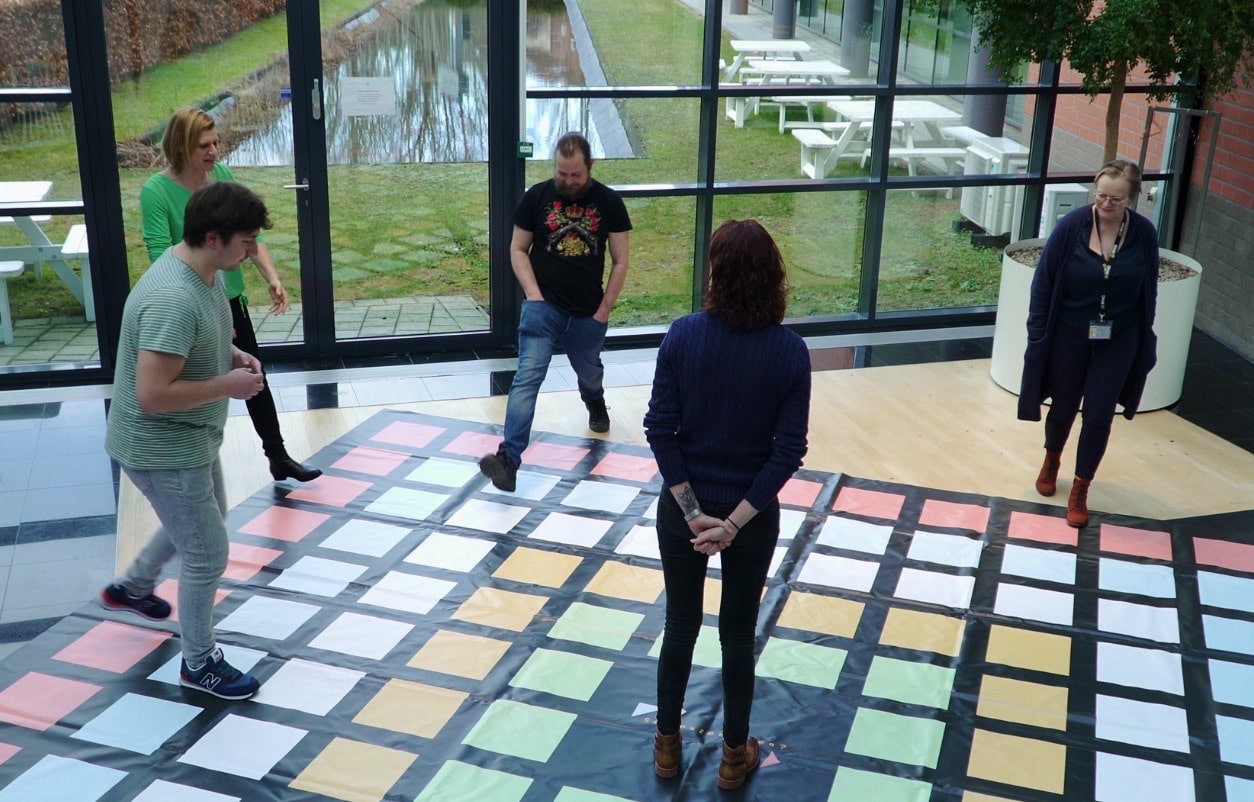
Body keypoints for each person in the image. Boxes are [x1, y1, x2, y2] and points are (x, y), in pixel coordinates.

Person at [643, 219, 811, 790]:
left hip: (682, 510)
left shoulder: (683, 335)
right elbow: (789, 451)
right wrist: (735, 523)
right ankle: (735, 758)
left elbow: (660, 429)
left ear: (716, 272)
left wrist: (694, 514)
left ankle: (667, 749)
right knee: (737, 635)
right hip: (752, 516)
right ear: (773, 276)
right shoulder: (790, 352)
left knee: (680, 624)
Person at [101, 181, 272, 700]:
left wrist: (232, 355)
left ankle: (133, 587)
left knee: (203, 524)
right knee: (207, 554)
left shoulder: (204, 271)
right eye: (246, 241)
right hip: (162, 448)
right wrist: (228, 385)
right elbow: (152, 395)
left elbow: (198, 340)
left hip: (188, 439)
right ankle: (198, 664)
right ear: (213, 237)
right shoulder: (173, 298)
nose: (253, 251)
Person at [140, 107, 320, 483]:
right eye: (204, 145)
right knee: (197, 386)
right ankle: (192, 463)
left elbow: (250, 236)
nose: (214, 151)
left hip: (230, 301)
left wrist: (273, 278)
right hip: (191, 306)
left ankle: (278, 456)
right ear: (181, 147)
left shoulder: (221, 176)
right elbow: (160, 255)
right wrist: (203, 308)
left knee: (254, 377)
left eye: (215, 143)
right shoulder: (155, 192)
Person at [478, 131, 632, 492]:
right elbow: (517, 249)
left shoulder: (609, 202)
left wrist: (604, 309)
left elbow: (621, 260)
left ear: (590, 166)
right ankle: (509, 459)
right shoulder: (536, 197)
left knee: (589, 372)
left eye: (575, 174)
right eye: (562, 173)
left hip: (588, 313)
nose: (568, 181)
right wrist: (534, 296)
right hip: (542, 309)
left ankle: (594, 401)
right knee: (527, 377)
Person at [1019, 159, 1159, 527]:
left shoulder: (1144, 234)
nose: (1106, 204)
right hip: (1070, 333)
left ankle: (1081, 487)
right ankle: (1052, 459)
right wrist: (1037, 332)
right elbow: (1044, 283)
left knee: (1099, 414)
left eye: (1115, 199)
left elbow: (1149, 290)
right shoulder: (1071, 227)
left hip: (1119, 337)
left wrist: (1146, 335)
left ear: (1131, 199)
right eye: (1101, 196)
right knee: (1063, 407)